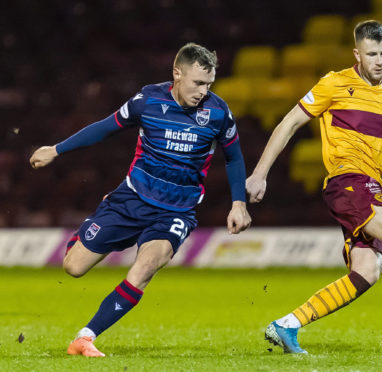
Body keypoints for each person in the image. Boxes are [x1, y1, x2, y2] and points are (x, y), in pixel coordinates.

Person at [246, 20, 382, 354]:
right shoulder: (334, 84)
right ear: (357, 53)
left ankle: (286, 325)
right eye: (372, 54)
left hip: (370, 185)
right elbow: (289, 123)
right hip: (347, 180)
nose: (379, 61)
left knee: (367, 270)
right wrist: (259, 174)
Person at [30, 43, 251, 357]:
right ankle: (94, 230)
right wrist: (56, 150)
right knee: (73, 267)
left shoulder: (218, 113)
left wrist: (238, 203)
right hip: (130, 200)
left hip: (176, 211)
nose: (204, 91)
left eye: (209, 84)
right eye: (198, 83)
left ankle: (86, 337)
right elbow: (105, 128)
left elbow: (234, 158)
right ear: (177, 74)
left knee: (147, 266)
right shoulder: (147, 100)